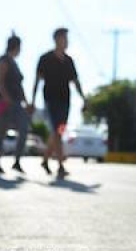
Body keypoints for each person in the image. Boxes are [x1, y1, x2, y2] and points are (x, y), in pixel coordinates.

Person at [31, 27, 85, 179]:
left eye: (67, 39)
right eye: (64, 38)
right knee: (56, 131)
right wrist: (32, 100)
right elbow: (37, 80)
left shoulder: (68, 61)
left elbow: (75, 81)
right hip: (50, 101)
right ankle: (61, 166)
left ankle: (45, 160)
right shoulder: (45, 58)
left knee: (59, 132)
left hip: (65, 102)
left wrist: (83, 98)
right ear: (56, 39)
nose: (66, 42)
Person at [0, 32, 33, 175]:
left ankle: (17, 161)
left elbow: (20, 86)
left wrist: (26, 103)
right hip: (3, 102)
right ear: (16, 46)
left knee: (24, 129)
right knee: (1, 132)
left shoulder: (15, 63)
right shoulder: (3, 60)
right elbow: (0, 82)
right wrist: (6, 98)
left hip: (17, 103)